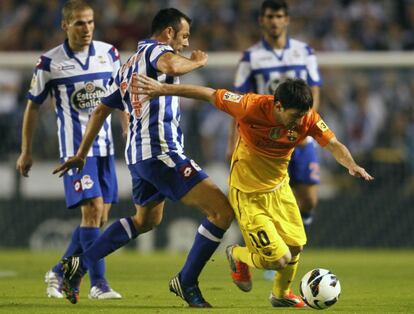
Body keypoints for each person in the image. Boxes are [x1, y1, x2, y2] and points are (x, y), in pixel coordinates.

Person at [132, 74, 373, 308]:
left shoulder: (308, 117)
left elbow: (333, 144)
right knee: (278, 259)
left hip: (279, 189)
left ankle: (280, 295)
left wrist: (351, 164)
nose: (300, 122)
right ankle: (237, 254)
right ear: (278, 106)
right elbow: (208, 94)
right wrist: (163, 89)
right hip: (248, 194)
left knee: (296, 246)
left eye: (303, 116)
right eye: (296, 115)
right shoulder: (250, 106)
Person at [52, 8, 234, 308]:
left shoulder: (126, 66)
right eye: (184, 36)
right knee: (221, 212)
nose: (186, 44)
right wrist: (197, 62)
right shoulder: (157, 52)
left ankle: (79, 264)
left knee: (146, 219)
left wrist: (81, 154)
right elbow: (172, 65)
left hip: (139, 157)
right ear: (168, 32)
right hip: (161, 152)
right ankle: (186, 281)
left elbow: (100, 110)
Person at [16, 0, 123, 300]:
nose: (86, 28)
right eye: (79, 23)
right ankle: (98, 285)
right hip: (75, 154)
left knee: (99, 219)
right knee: (92, 213)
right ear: (64, 25)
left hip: (105, 149)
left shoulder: (109, 54)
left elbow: (121, 95)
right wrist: (26, 151)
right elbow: (32, 108)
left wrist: (128, 128)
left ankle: (60, 270)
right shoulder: (49, 63)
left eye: (89, 22)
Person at [230, 0, 323, 281]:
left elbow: (315, 90)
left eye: (279, 16)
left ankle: (287, 247)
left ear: (287, 20)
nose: (274, 21)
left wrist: (308, 127)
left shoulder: (304, 52)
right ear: (262, 20)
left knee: (308, 199)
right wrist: (231, 143)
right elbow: (240, 104)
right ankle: (272, 252)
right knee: (268, 194)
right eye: (270, 16)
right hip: (265, 139)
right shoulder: (250, 58)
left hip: (299, 136)